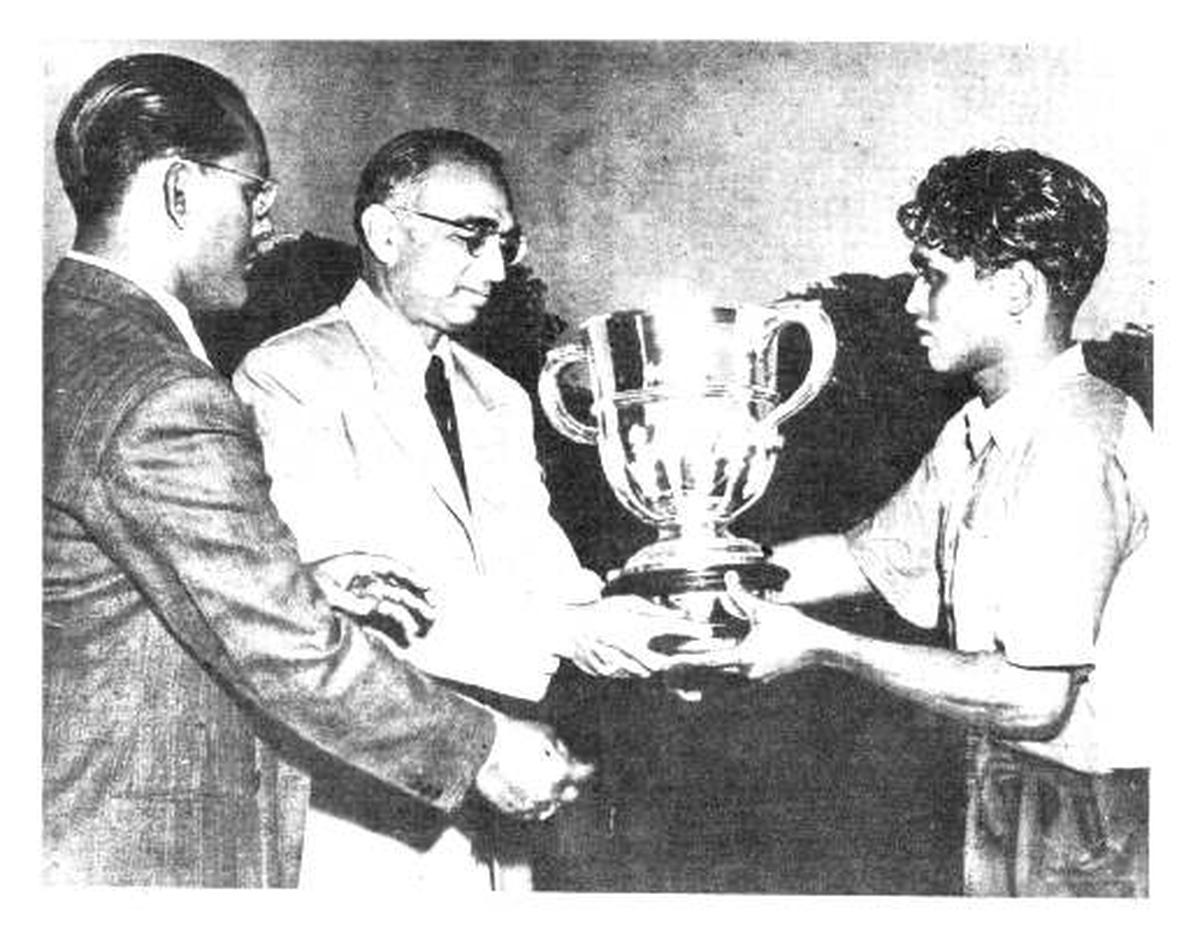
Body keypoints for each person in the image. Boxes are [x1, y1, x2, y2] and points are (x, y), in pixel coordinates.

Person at [43, 53, 593, 887]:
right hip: (135, 854)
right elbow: (288, 648)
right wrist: (480, 747)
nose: (267, 222)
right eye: (252, 191)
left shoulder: (59, 339)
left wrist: (308, 578)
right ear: (179, 189)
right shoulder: (163, 388)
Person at [678, 148, 1151, 896]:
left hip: (1096, 826)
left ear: (1019, 289)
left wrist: (822, 648)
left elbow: (1036, 698)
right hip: (1009, 790)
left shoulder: (1077, 436)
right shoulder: (977, 429)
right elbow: (855, 559)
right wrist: (692, 568)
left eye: (933, 275)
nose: (910, 304)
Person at [231, 127, 688, 889]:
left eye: (507, 242)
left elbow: (548, 575)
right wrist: (575, 630)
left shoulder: (499, 395)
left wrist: (654, 627)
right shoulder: (288, 375)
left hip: (504, 814)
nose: (498, 266)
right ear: (383, 232)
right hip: (365, 816)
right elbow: (355, 610)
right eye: (472, 237)